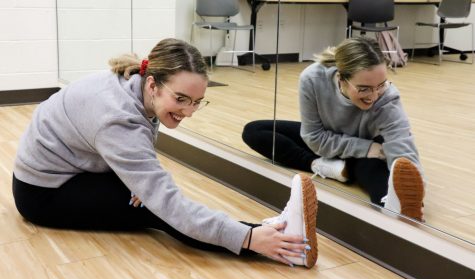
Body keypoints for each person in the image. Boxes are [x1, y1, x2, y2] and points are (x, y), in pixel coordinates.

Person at [12, 38, 317, 267]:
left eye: (197, 101)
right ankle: (273, 241)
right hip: (44, 192)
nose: (190, 111)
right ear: (153, 84)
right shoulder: (117, 118)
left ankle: (269, 234)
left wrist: (136, 182)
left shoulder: (135, 87)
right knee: (159, 209)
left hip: (79, 167)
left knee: (154, 196)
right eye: (182, 99)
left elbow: (136, 147)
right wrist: (247, 238)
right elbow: (170, 204)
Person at [242, 37, 425, 221]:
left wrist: (412, 189)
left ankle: (340, 167)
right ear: (341, 78)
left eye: (381, 85)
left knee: (383, 193)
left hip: (365, 155)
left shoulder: (388, 97)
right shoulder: (312, 78)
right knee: (254, 131)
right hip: (341, 143)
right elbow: (313, 137)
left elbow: (403, 149)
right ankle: (322, 166)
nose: (375, 96)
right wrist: (367, 148)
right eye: (364, 89)